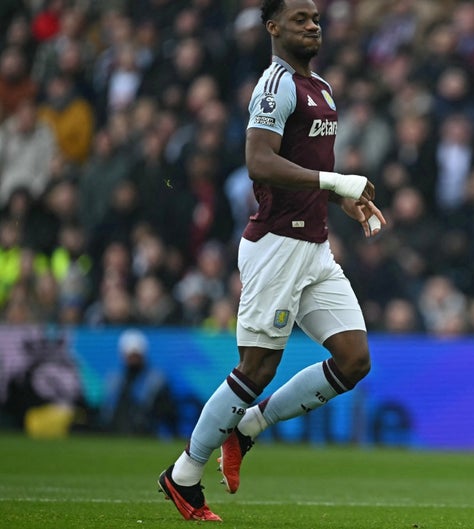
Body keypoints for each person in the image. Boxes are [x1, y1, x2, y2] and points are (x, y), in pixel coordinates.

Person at [157, 0, 387, 521]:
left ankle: (248, 427)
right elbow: (258, 161)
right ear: (273, 27)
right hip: (277, 246)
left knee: (354, 360)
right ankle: (184, 474)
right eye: (300, 19)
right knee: (256, 367)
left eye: (316, 18)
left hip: (315, 248)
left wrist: (342, 199)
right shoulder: (275, 84)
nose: (312, 25)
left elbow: (306, 167)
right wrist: (335, 181)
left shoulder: (321, 87)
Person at [101, 328, 177, 436]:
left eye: (136, 355)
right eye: (130, 355)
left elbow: (167, 412)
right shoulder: (114, 379)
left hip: (146, 431)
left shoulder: (156, 380)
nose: (133, 358)